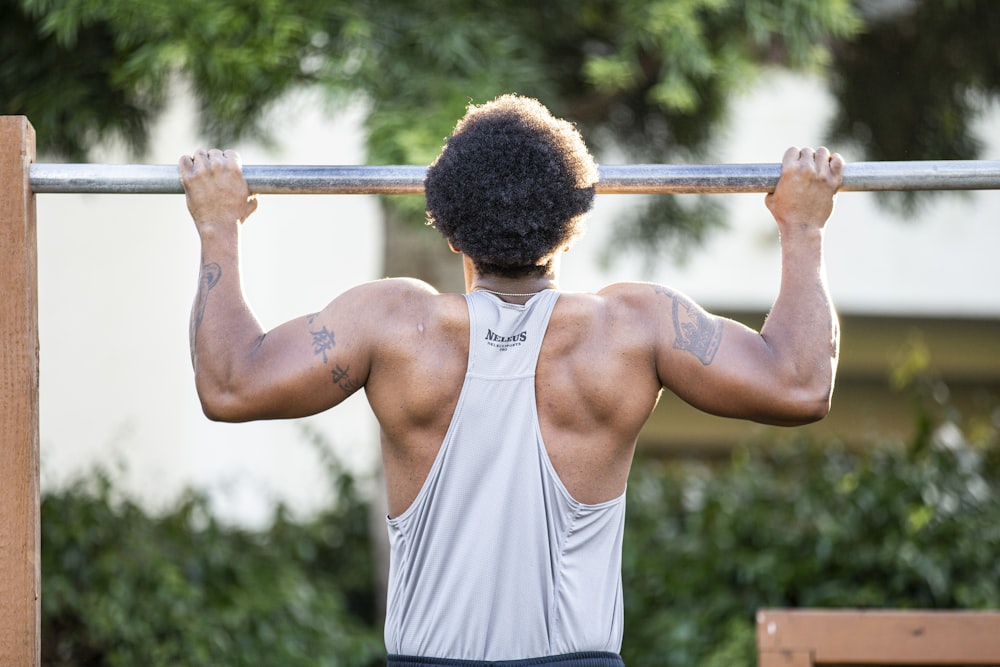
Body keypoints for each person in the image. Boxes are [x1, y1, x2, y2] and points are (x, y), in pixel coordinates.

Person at [179, 93, 843, 667]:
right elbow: (798, 383)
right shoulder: (631, 329)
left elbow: (231, 382)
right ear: (571, 226)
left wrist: (217, 227)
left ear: (449, 231)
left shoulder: (392, 324)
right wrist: (803, 227)